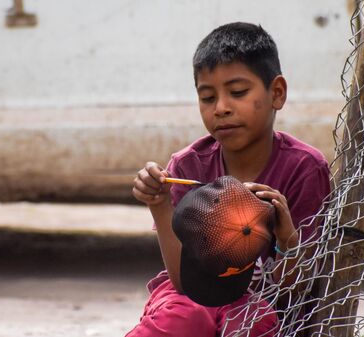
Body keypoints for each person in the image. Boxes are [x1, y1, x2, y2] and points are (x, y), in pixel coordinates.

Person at [128, 22, 331, 337]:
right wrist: (159, 204)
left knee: (252, 321)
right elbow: (183, 282)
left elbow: (299, 288)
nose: (221, 108)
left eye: (237, 92)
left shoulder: (303, 168)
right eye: (207, 98)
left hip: (269, 303)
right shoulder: (188, 166)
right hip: (192, 296)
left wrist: (286, 236)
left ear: (277, 93)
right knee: (184, 317)